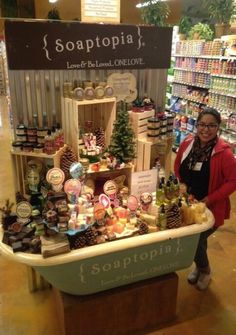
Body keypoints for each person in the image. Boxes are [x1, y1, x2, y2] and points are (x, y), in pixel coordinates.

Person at [174, 107, 236, 290]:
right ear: (197, 124)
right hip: (188, 203)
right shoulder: (187, 143)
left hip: (210, 208)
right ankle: (200, 267)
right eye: (202, 124)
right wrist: (181, 186)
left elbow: (233, 181)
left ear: (218, 127)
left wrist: (210, 198)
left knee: (194, 240)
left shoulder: (224, 152)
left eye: (211, 125)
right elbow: (178, 166)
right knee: (196, 240)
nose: (205, 130)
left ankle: (205, 269)